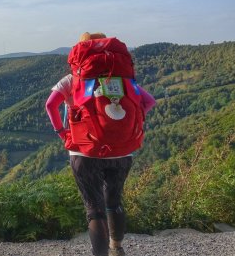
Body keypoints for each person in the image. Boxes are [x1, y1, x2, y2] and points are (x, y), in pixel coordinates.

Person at [45, 32, 156, 256]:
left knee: (94, 210)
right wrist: (131, 126)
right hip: (122, 151)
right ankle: (117, 248)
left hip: (83, 151)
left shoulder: (72, 80)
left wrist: (62, 133)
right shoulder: (123, 81)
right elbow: (149, 101)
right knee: (113, 201)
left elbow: (50, 105)